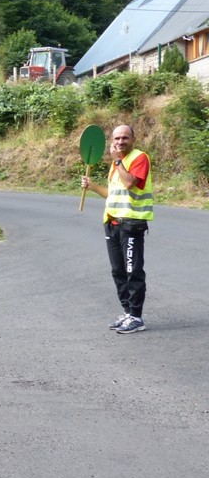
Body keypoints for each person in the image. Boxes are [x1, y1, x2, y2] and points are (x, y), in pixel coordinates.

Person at [81, 124, 154, 334]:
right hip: (112, 222)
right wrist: (93, 187)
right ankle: (127, 312)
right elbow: (113, 193)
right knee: (118, 271)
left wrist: (117, 161)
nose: (120, 141)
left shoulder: (138, 158)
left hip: (130, 223)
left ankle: (136, 317)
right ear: (112, 141)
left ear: (133, 139)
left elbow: (130, 183)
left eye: (125, 138)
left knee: (133, 271)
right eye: (117, 138)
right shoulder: (117, 164)